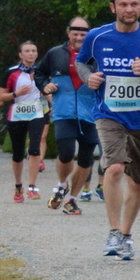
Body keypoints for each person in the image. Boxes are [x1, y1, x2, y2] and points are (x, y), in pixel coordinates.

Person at [79, 0, 140, 260]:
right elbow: (81, 63)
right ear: (113, 8)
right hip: (108, 114)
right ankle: (113, 231)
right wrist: (89, 78)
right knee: (114, 167)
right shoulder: (97, 36)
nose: (129, 9)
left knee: (137, 180)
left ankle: (126, 233)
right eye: (123, 4)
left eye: (134, 4)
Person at [39, 17, 99, 211]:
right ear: (69, 34)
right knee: (65, 153)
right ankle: (62, 184)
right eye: (76, 34)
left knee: (86, 159)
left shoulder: (96, 55)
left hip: (89, 113)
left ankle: (71, 199)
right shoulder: (55, 53)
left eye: (83, 34)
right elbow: (39, 73)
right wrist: (44, 85)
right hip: (64, 111)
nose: (79, 37)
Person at [1, 42, 49, 202]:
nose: (31, 54)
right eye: (27, 51)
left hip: (36, 113)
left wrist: (50, 107)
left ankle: (32, 187)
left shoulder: (42, 71)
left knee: (35, 148)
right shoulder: (11, 73)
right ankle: (18, 186)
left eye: (34, 51)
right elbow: (1, 96)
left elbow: (44, 92)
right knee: (17, 153)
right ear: (20, 55)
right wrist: (16, 93)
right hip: (16, 115)